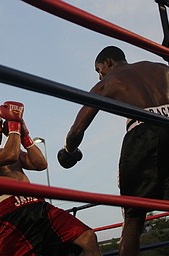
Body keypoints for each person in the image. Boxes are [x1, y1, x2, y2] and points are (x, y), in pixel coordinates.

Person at [58, 46, 169, 256]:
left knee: (133, 220)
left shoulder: (108, 82)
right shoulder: (161, 68)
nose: (100, 75)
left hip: (142, 134)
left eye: (99, 69)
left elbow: (77, 130)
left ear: (108, 62)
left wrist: (68, 151)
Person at [0, 101, 101, 256]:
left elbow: (40, 164)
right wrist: (14, 127)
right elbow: (9, 156)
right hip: (12, 215)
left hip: (39, 206)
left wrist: (25, 136)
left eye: (1, 123)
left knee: (87, 237)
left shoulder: (12, 149)